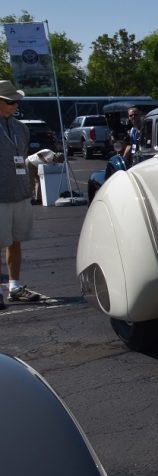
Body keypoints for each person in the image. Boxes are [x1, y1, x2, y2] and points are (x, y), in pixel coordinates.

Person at [0, 80, 43, 308]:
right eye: (10, 101)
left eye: (17, 101)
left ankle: (15, 287)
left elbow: (22, 157)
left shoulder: (21, 128)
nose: (15, 105)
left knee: (15, 241)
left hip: (20, 193)